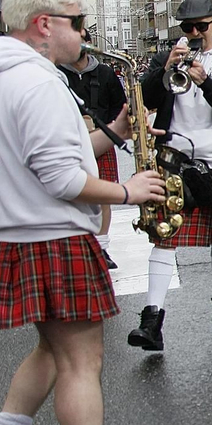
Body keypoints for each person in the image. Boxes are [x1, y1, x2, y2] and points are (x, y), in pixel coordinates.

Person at [0, 0, 165, 425]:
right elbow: (60, 179)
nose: (84, 33)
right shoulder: (36, 82)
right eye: (78, 23)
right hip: (51, 236)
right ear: (44, 24)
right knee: (82, 360)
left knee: (53, 352)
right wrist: (129, 190)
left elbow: (44, 157)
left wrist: (114, 134)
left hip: (22, 235)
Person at [126, 0, 212, 353]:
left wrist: (206, 82)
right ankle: (152, 319)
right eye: (188, 28)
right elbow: (142, 99)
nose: (196, 33)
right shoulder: (168, 57)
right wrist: (162, 68)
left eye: (202, 26)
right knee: (164, 237)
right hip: (174, 159)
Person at [62, 38, 128, 268]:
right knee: (72, 195)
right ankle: (76, 247)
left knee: (103, 197)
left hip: (102, 138)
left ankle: (102, 247)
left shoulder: (105, 73)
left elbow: (119, 106)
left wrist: (107, 129)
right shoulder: (57, 73)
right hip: (68, 142)